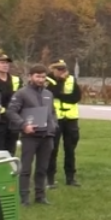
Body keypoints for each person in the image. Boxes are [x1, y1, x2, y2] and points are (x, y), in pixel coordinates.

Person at [4, 64, 59, 206]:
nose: (41, 79)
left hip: (47, 136)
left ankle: (40, 196)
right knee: (26, 168)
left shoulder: (48, 94)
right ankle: (24, 197)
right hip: (30, 136)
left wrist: (53, 124)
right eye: (38, 76)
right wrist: (23, 125)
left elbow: (52, 112)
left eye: (43, 76)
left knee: (42, 168)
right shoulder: (22, 93)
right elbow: (11, 112)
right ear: (30, 77)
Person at [45, 60, 82, 188]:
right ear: (52, 69)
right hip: (55, 119)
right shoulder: (48, 80)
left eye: (64, 69)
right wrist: (60, 83)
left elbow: (76, 97)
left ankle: (70, 177)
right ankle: (49, 178)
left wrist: (61, 96)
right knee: (52, 149)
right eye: (59, 69)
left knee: (70, 149)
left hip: (71, 118)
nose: (62, 72)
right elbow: (52, 93)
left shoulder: (71, 79)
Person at [0, 51, 22, 157]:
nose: (5, 65)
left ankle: (9, 171)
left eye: (7, 63)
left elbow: (20, 98)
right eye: (2, 62)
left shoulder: (16, 80)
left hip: (12, 120)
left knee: (11, 148)